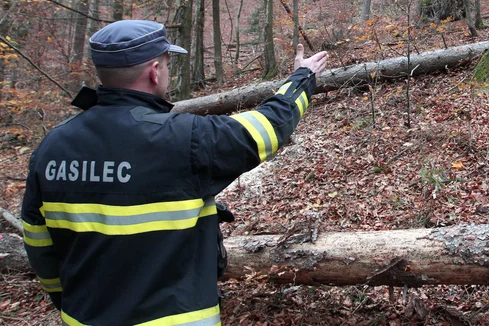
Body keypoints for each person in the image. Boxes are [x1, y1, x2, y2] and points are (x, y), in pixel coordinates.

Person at [20, 20, 328, 325]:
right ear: (154, 72)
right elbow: (268, 128)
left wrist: (70, 301)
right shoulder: (184, 138)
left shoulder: (51, 147)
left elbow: (39, 246)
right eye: (167, 64)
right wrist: (302, 78)